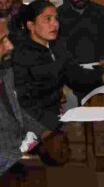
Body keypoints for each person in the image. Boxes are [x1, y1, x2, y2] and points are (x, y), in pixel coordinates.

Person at [11, 0, 104, 132]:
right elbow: (25, 104)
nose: (55, 24)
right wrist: (56, 126)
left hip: (57, 115)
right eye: (48, 19)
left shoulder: (56, 46)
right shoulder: (22, 56)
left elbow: (75, 75)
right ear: (31, 25)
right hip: (37, 125)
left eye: (56, 19)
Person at [0, 22, 70, 175]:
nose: (10, 46)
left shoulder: (5, 72)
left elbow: (17, 112)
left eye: (8, 39)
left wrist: (43, 132)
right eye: (2, 41)